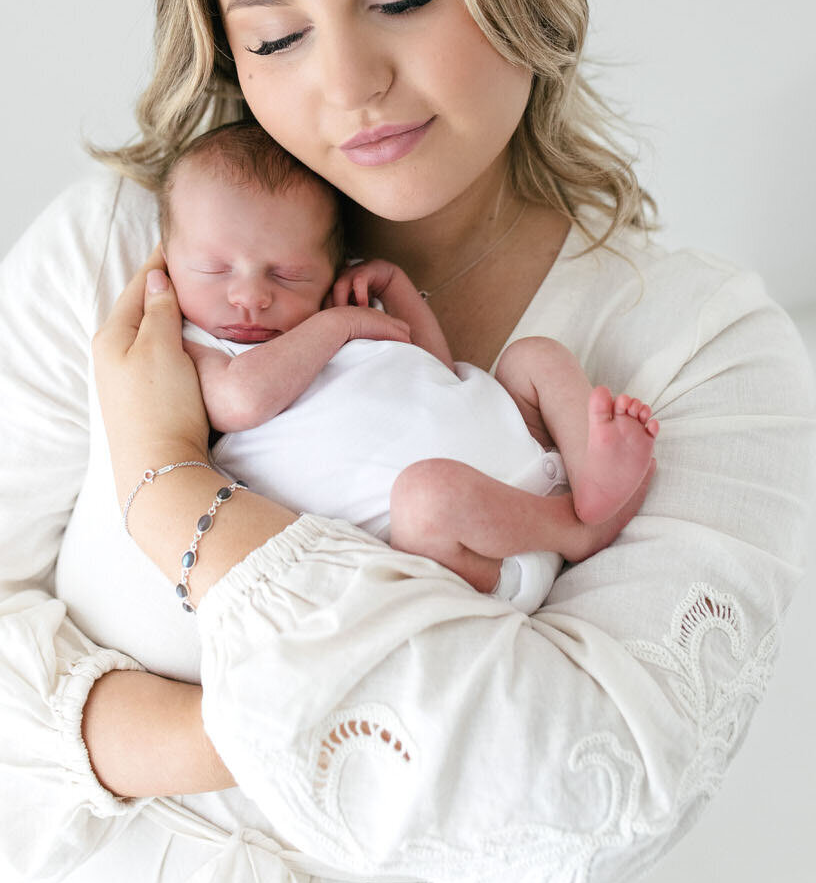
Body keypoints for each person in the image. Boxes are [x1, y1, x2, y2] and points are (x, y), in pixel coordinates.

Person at [0, 0, 815, 883]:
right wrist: (251, 732)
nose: (348, 82)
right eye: (277, 36)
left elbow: (596, 797)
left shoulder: (700, 348)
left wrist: (164, 486)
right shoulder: (122, 261)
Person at [156, 118, 658, 612]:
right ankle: (577, 530)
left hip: (518, 442)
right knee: (428, 495)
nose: (250, 297)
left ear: (330, 267)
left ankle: (593, 473)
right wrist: (338, 329)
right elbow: (239, 402)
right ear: (168, 262)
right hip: (467, 551)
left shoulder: (339, 306)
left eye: (288, 274)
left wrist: (395, 288)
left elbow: (436, 372)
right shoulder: (201, 345)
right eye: (213, 270)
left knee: (535, 355)